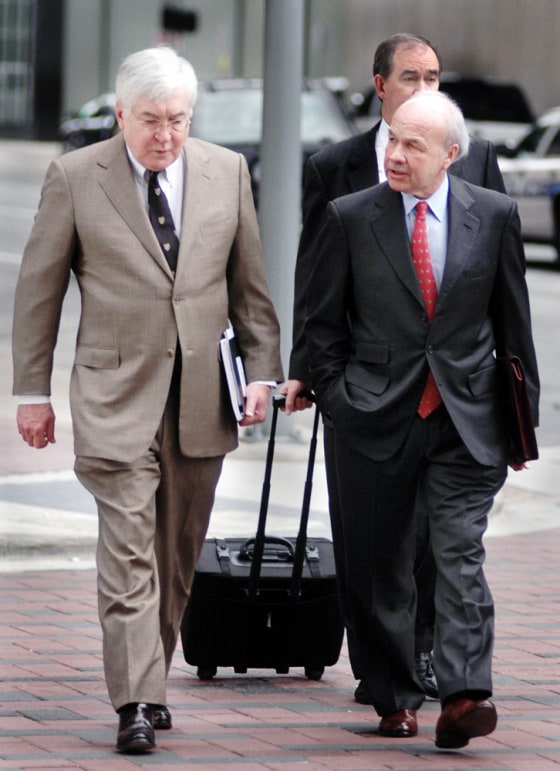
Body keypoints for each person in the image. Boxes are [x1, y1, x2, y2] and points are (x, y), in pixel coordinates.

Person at [12, 46, 283, 754]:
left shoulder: (226, 171)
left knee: (176, 554)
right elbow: (38, 292)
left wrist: (262, 372)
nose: (166, 135)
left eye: (179, 119)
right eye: (152, 120)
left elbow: (249, 285)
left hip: (201, 400)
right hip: (113, 397)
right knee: (129, 552)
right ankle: (136, 698)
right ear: (120, 112)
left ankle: (151, 672)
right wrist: (31, 391)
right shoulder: (76, 176)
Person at [303, 89, 539, 746]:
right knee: (383, 564)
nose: (397, 155)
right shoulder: (352, 216)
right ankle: (395, 693)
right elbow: (321, 327)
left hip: (467, 417)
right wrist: (339, 400)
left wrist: (523, 424)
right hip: (376, 415)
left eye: (413, 144)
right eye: (393, 141)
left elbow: (514, 328)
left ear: (452, 154)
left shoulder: (492, 215)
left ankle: (464, 693)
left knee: (459, 553)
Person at [280, 32, 506, 706]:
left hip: (454, 398)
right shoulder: (338, 167)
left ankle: (430, 658)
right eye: (410, 75)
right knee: (375, 545)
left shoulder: (478, 158)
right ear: (380, 85)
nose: (424, 87)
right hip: (370, 392)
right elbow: (316, 283)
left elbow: (498, 280)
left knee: (444, 542)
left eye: (434, 76)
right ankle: (385, 668)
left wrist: (510, 404)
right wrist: (317, 377)